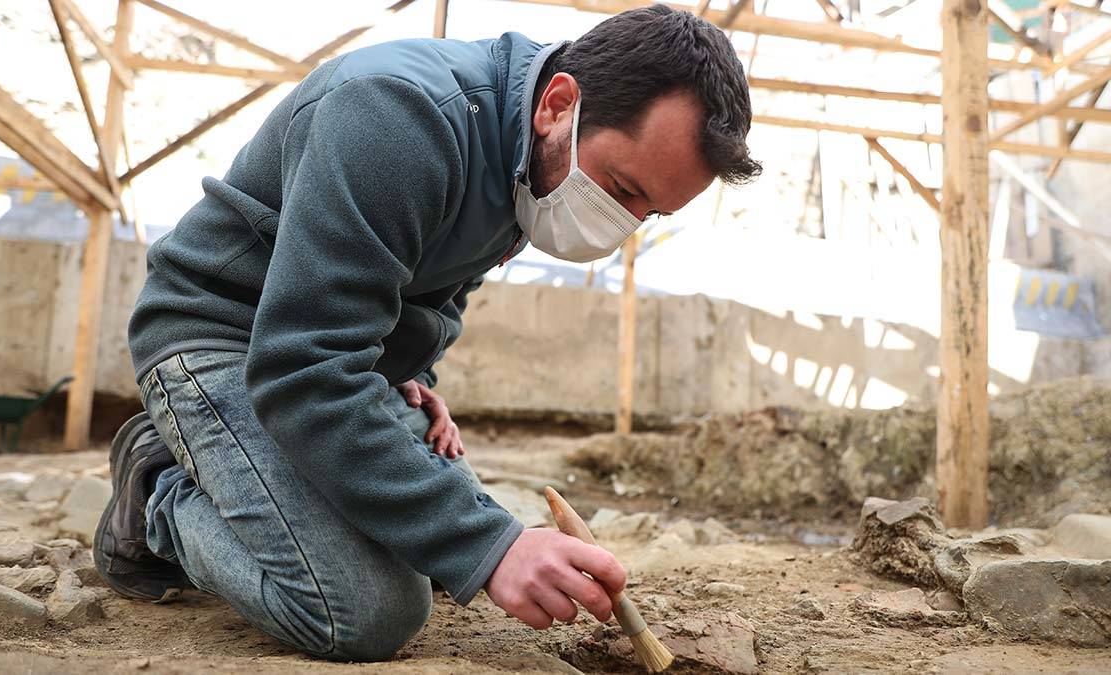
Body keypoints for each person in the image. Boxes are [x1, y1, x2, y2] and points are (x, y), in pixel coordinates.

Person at [93, 4, 760, 662]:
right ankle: (158, 489)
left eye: (650, 211)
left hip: (316, 348)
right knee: (365, 607)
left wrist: (409, 372)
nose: (622, 223)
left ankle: (242, 465)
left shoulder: (529, 161)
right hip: (219, 334)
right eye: (621, 187)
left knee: (439, 551)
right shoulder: (397, 117)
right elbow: (303, 370)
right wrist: (493, 546)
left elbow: (426, 287)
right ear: (558, 103)